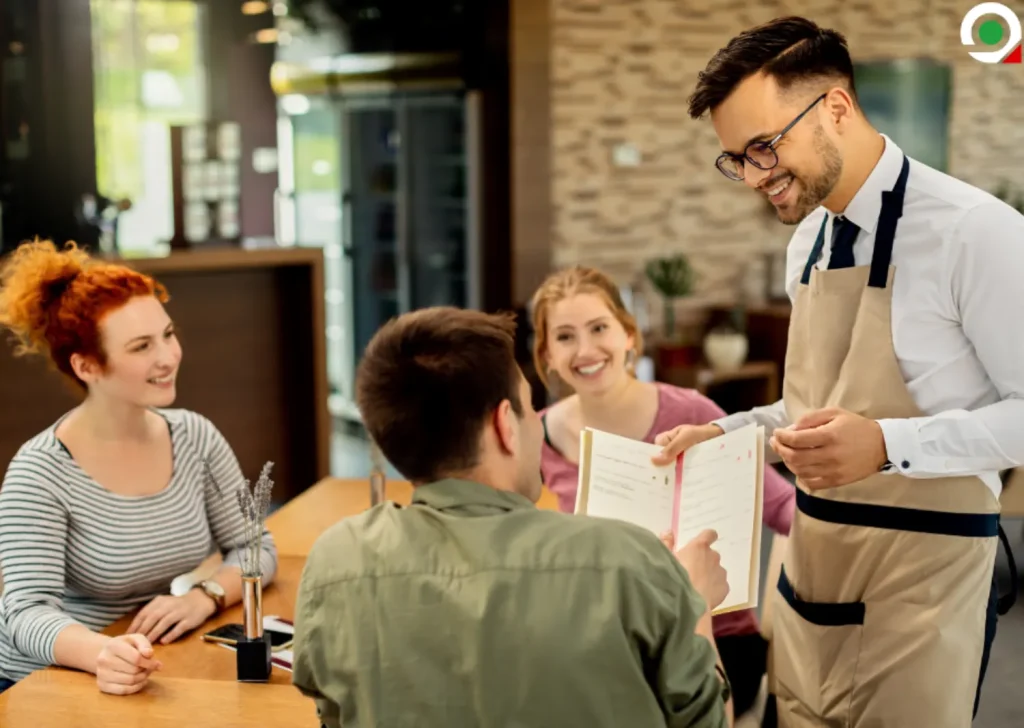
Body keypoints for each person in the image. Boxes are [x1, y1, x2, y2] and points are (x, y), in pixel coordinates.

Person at [652, 16, 1024, 728]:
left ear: (837, 108)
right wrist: (726, 435)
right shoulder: (809, 246)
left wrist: (887, 445)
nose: (755, 176)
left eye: (764, 146)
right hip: (810, 577)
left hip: (924, 589)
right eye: (737, 158)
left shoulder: (977, 232)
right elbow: (808, 412)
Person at [291, 307, 734, 728]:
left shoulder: (335, 563)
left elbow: (333, 712)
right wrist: (696, 604)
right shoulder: (631, 561)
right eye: (527, 407)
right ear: (505, 424)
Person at [0, 239, 278, 695]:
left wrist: (202, 597)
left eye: (168, 334)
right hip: (42, 679)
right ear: (86, 365)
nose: (168, 357)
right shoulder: (39, 472)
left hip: (149, 657)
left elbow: (255, 550)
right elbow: (26, 613)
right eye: (141, 346)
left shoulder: (195, 437)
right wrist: (101, 653)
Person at [531, 264, 796, 718]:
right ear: (547, 355)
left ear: (629, 336)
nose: (586, 349)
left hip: (718, 636)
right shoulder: (538, 436)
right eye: (565, 336)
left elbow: (783, 506)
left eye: (599, 328)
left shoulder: (690, 412)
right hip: (612, 637)